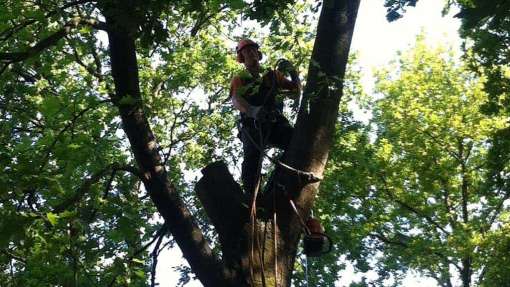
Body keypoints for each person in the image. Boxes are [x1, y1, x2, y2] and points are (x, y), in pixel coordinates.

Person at [230, 39, 301, 194]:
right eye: (246, 51)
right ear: (241, 57)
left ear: (258, 52)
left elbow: (295, 93)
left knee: (296, 143)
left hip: (276, 123)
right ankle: (253, 198)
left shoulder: (272, 75)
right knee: (252, 162)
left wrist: (293, 73)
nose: (251, 53)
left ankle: (279, 183)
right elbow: (236, 99)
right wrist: (253, 111)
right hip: (252, 126)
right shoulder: (240, 78)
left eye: (253, 49)